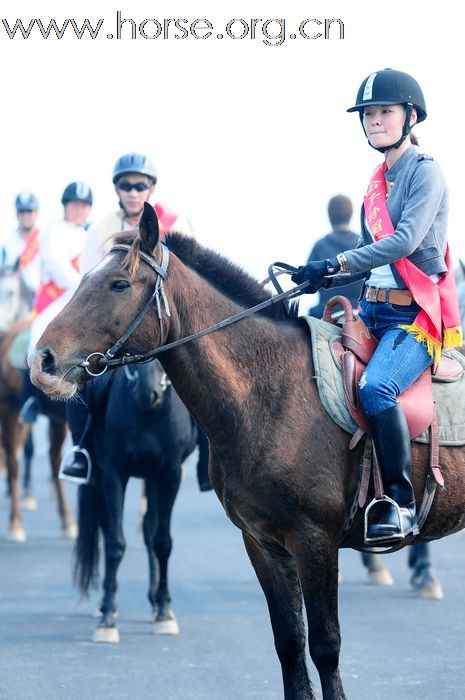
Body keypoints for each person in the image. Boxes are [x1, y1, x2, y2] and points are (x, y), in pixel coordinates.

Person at [291, 68, 463, 544]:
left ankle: (401, 503)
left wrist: (337, 260)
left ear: (410, 116)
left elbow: (403, 241)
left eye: (384, 112)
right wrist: (317, 275)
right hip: (372, 309)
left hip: (414, 318)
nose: (374, 121)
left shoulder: (425, 171)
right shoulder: (376, 180)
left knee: (377, 389)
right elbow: (365, 261)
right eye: (368, 115)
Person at [61, 152, 198, 485]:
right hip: (115, 328)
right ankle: (83, 451)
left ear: (151, 187)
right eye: (126, 185)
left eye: (140, 185)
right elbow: (88, 280)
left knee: (204, 373)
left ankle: (211, 455)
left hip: (165, 322)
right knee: (81, 384)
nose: (133, 191)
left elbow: (189, 277)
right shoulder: (101, 229)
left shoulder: (175, 224)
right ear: (117, 189)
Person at [20, 182, 93, 423]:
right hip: (58, 296)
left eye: (84, 206)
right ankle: (30, 398)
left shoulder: (88, 234)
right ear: (65, 206)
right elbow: (56, 266)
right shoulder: (54, 231)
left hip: (82, 296)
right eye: (75, 205)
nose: (79, 210)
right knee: (36, 333)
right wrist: (83, 285)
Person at [306, 195, 363, 317]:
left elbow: (308, 280)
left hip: (325, 311)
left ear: (329, 215)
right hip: (359, 312)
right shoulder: (362, 244)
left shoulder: (320, 245)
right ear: (351, 214)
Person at [1, 191, 41, 302]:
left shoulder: (44, 239)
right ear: (17, 214)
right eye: (21, 211)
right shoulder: (7, 244)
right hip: (15, 301)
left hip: (41, 300)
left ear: (36, 213)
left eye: (29, 211)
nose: (25, 216)